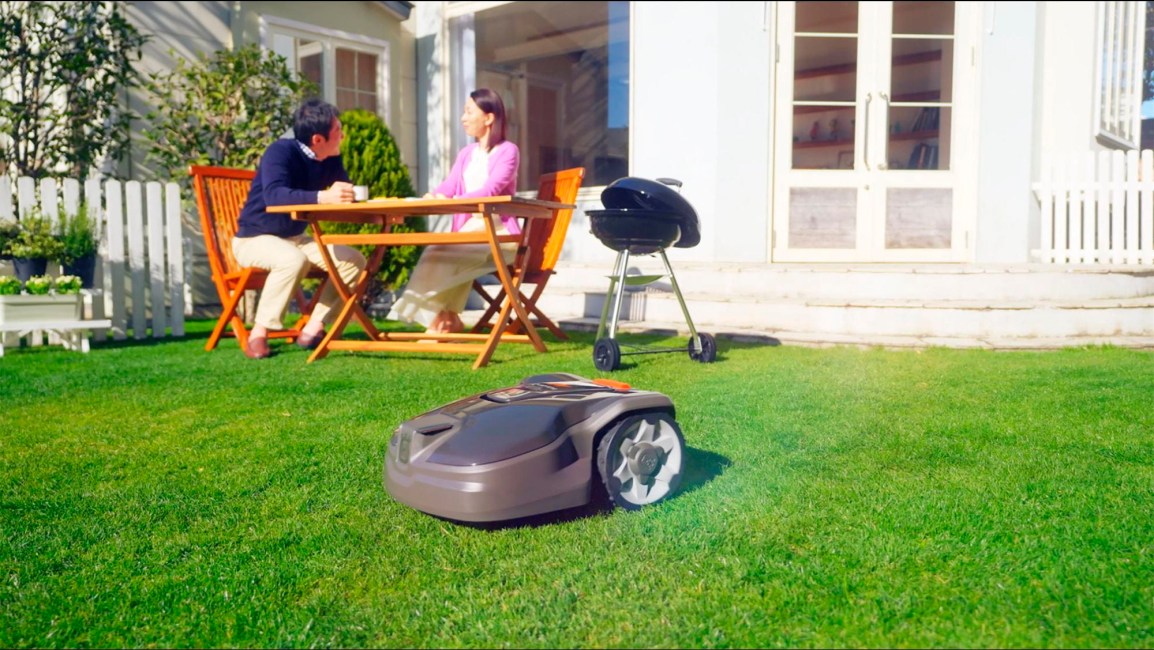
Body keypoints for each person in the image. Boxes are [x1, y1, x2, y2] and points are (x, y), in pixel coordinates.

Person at [232, 98, 367, 360]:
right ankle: (260, 332)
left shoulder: (327, 158)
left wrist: (338, 170)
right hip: (254, 238)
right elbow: (274, 196)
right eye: (338, 131)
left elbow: (343, 188)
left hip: (295, 237)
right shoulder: (280, 152)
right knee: (292, 260)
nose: (343, 135)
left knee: (353, 260)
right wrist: (322, 197)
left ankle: (315, 326)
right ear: (318, 139)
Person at [388, 88, 520, 334]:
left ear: (489, 118)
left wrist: (457, 199)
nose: (463, 117)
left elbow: (492, 189)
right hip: (472, 229)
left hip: (499, 233)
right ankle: (447, 320)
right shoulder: (466, 154)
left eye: (469, 111)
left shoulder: (508, 151)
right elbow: (450, 185)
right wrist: (434, 196)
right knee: (440, 251)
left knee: (442, 251)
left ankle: (439, 322)